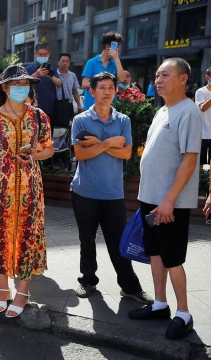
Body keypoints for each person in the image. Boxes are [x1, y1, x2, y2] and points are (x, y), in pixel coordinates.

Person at [0, 65, 54, 318]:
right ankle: (3, 289)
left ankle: (23, 291)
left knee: (28, 234)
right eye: (16, 85)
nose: (21, 89)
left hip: (30, 186)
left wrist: (35, 154)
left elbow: (48, 149)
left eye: (25, 85)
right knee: (0, 235)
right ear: (4, 88)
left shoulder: (39, 117)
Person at [130, 58, 203, 340]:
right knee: (155, 254)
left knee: (173, 258)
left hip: (170, 202)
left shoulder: (189, 112)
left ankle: (183, 313)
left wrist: (169, 200)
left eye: (166, 75)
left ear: (183, 79)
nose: (158, 79)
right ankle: (160, 304)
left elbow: (189, 161)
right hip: (151, 199)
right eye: (157, 75)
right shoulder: (162, 110)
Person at [70, 72, 153, 304]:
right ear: (92, 92)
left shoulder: (123, 120)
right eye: (102, 87)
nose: (107, 91)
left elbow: (126, 153)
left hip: (113, 193)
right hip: (84, 191)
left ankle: (129, 287)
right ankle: (87, 281)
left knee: (119, 242)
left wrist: (96, 144)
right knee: (86, 239)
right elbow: (81, 154)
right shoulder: (81, 120)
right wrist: (106, 143)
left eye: (111, 87)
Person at [81, 32, 125, 110]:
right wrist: (102, 86)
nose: (118, 49)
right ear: (108, 46)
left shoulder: (115, 63)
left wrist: (117, 59)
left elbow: (122, 79)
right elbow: (84, 83)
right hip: (91, 107)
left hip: (110, 107)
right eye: (116, 46)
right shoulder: (92, 62)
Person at [25, 43, 62, 124]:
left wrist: (51, 76)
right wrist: (36, 75)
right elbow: (24, 84)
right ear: (35, 54)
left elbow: (59, 84)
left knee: (48, 132)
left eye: (45, 54)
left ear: (49, 54)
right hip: (33, 106)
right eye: (40, 54)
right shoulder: (28, 69)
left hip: (49, 107)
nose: (43, 56)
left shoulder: (52, 68)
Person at [195, 67, 211, 169]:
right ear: (207, 77)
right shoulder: (201, 92)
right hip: (203, 134)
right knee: (201, 164)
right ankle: (201, 184)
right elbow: (202, 108)